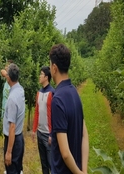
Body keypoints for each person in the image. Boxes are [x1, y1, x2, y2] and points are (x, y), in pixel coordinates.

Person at [49, 44, 89, 174]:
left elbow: (65, 153)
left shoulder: (57, 99)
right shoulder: (74, 93)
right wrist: (83, 170)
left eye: (50, 65)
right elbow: (84, 135)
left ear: (54, 68)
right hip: (76, 166)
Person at [3, 63, 25, 174]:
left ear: (9, 77)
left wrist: (9, 152)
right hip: (19, 138)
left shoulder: (12, 98)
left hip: (13, 140)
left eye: (7, 74)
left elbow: (12, 127)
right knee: (17, 170)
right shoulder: (20, 90)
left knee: (11, 170)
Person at [32, 66, 54, 174]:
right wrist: (33, 130)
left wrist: (51, 134)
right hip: (40, 133)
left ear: (46, 77)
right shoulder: (39, 93)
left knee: (51, 164)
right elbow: (37, 111)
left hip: (48, 134)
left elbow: (54, 115)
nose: (39, 76)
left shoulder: (52, 93)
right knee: (43, 163)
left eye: (41, 74)